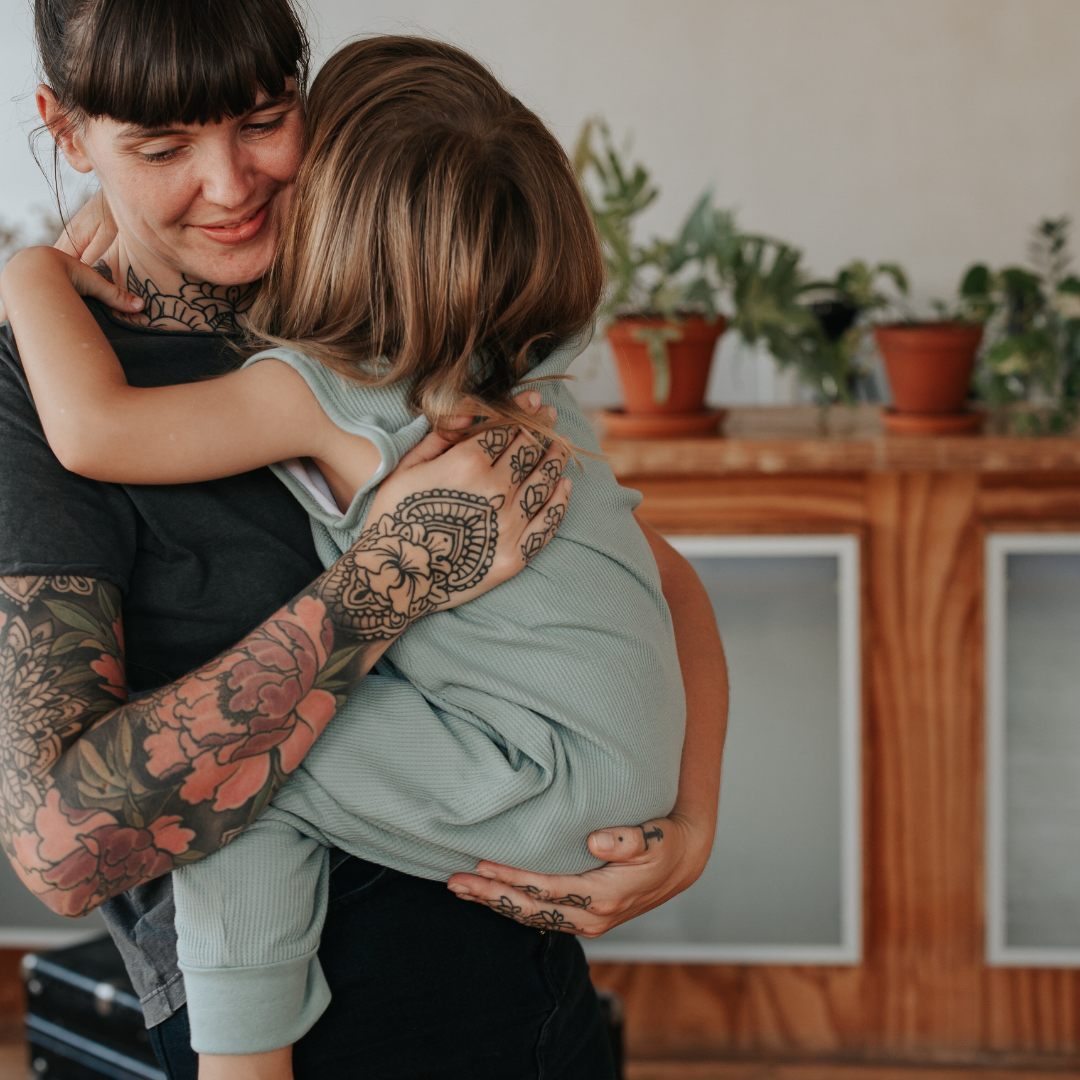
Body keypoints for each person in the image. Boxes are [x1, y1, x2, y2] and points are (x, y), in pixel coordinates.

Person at [0, 3, 728, 1078]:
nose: (230, 184)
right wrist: (388, 580)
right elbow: (64, 848)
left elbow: (652, 580)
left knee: (256, 773)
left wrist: (692, 827)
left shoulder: (384, 295)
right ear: (67, 133)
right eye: (161, 147)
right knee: (238, 784)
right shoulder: (38, 384)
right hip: (334, 1029)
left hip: (527, 983)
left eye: (261, 120)